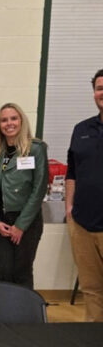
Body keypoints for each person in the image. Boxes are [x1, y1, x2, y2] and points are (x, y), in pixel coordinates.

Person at [0, 103, 48, 288]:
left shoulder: (36, 149)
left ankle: (26, 316)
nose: (9, 123)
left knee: (22, 271)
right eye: (4, 120)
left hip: (26, 220)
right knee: (4, 270)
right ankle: (7, 315)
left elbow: (39, 189)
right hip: (1, 221)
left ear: (21, 121)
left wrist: (21, 225)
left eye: (13, 118)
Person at [66, 68, 103, 322]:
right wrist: (69, 208)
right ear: (94, 93)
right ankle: (94, 342)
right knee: (91, 289)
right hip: (82, 224)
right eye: (100, 88)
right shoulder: (81, 129)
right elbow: (72, 172)